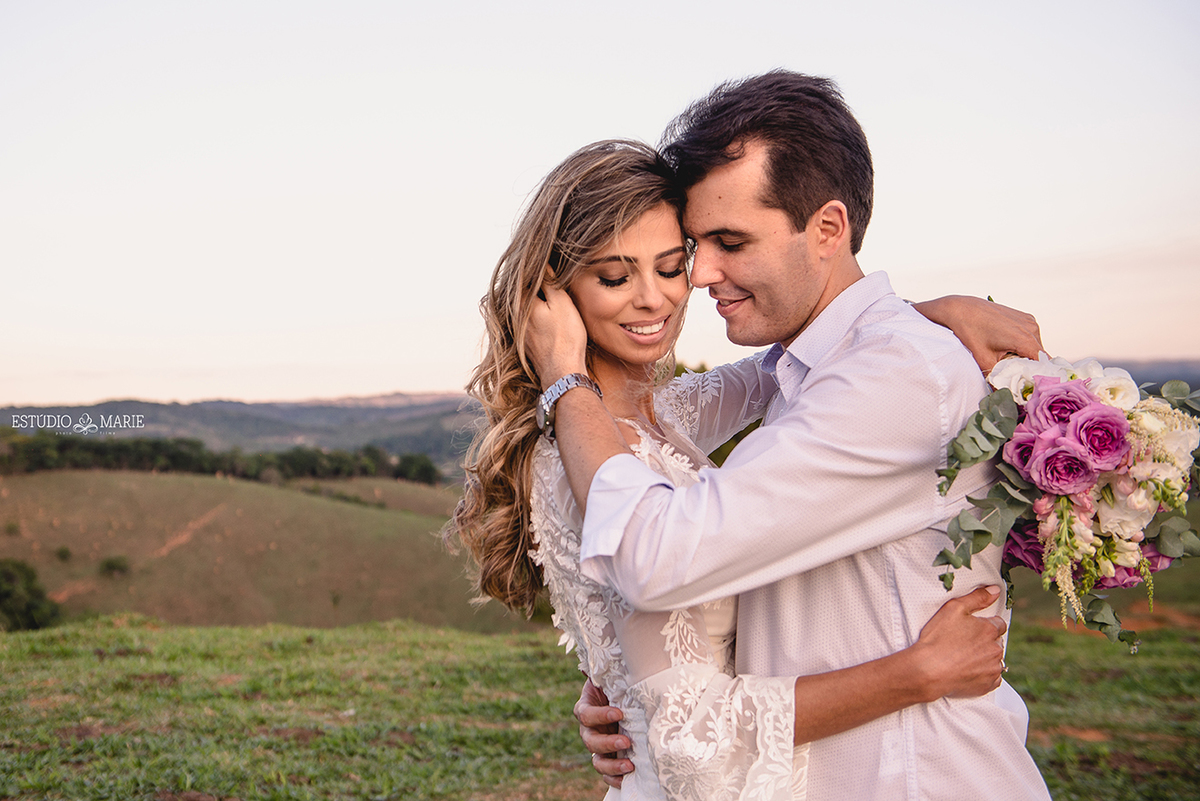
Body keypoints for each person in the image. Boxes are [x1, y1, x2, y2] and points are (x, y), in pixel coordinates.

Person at [448, 138, 1039, 800]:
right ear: (552, 295)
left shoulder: (655, 412)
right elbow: (692, 740)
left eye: (673, 266)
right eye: (615, 277)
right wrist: (916, 672)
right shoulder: (589, 456)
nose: (656, 299)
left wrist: (928, 315)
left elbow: (795, 358)